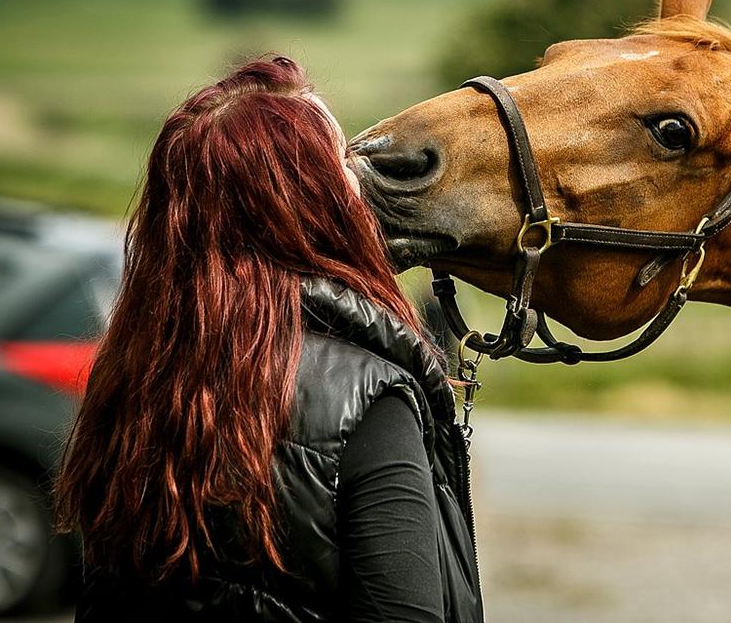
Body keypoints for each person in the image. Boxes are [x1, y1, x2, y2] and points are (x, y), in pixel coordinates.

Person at [54, 57, 482, 623]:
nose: (360, 180)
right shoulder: (368, 396)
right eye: (341, 163)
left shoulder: (134, 374)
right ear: (309, 199)